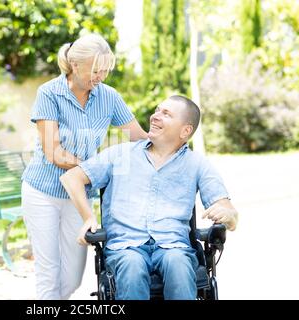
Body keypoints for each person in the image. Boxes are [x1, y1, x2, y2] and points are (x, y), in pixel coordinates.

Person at [60, 95, 239, 300]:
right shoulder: (121, 154)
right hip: (125, 247)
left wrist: (228, 215)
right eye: (157, 110)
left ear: (185, 131)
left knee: (178, 264)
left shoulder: (197, 164)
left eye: (166, 114)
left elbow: (229, 211)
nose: (155, 116)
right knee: (132, 265)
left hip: (174, 246)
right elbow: (71, 178)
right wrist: (88, 218)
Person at [21, 33, 148, 300]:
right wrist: (95, 167)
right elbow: (53, 152)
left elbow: (138, 136)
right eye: (95, 70)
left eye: (105, 70)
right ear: (74, 65)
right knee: (49, 272)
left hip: (78, 197)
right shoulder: (49, 93)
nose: (100, 76)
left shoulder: (109, 97)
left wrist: (171, 144)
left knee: (71, 278)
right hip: (42, 193)